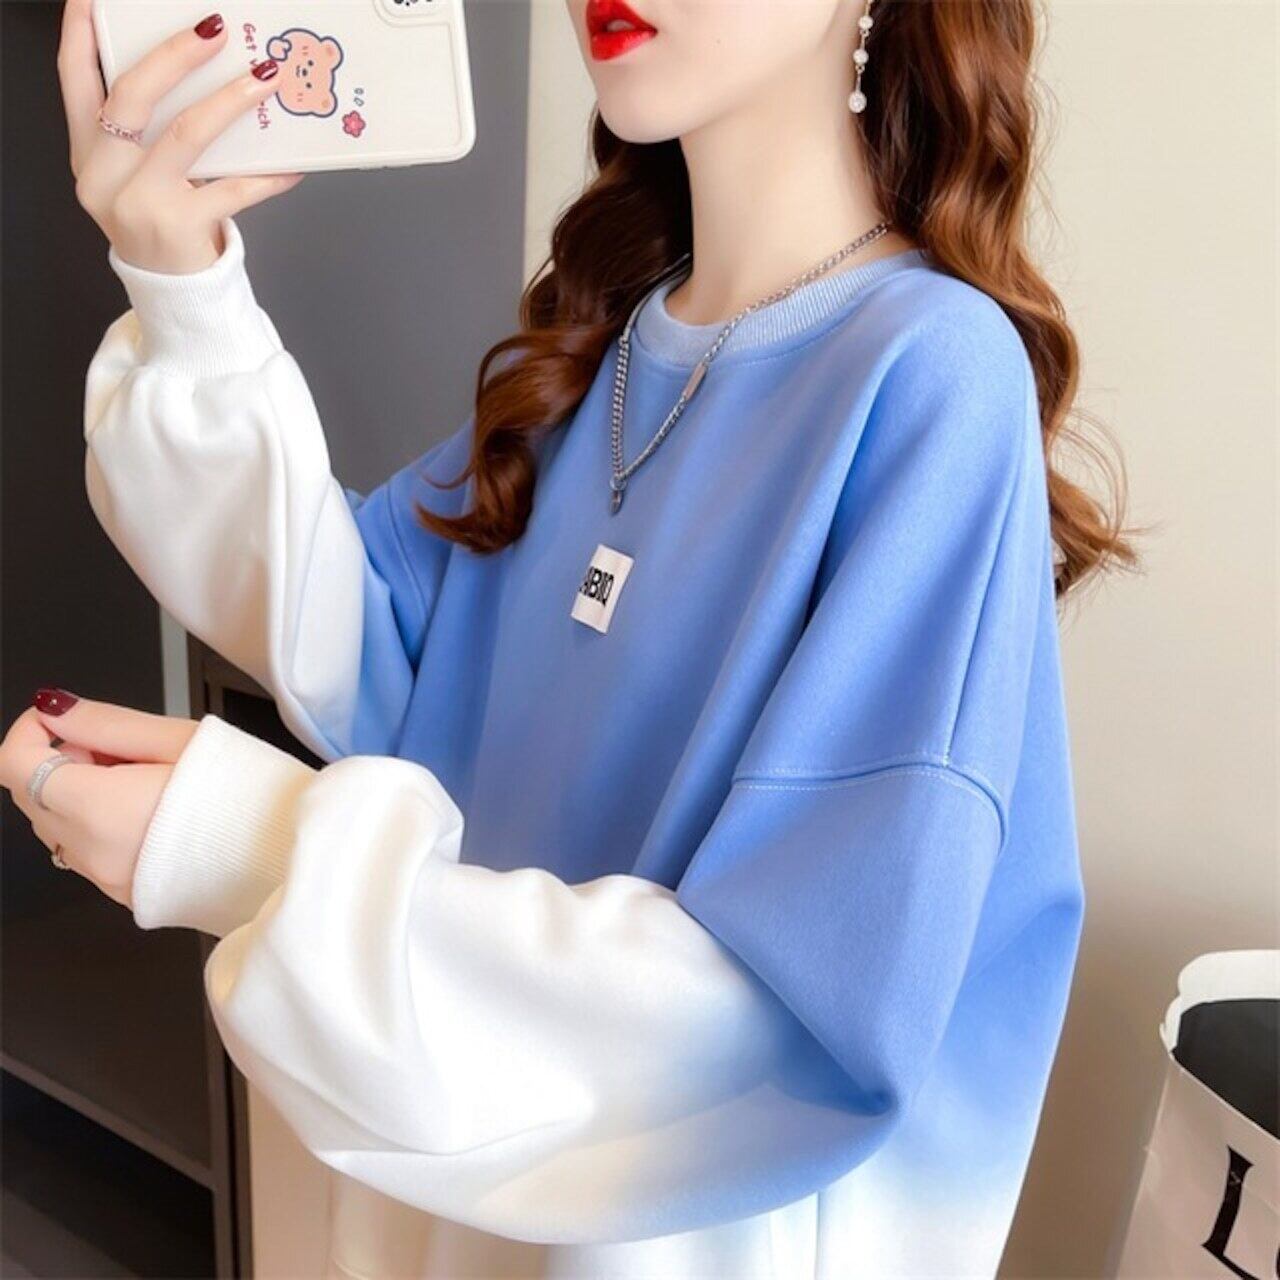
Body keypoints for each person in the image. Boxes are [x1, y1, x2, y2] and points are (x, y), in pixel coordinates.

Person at [5, 0, 1137, 1275]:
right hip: (445, 1207)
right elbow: (365, 646)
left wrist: (247, 847)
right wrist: (179, 278)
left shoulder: (929, 375)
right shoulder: (610, 347)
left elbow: (786, 1019)